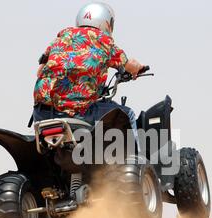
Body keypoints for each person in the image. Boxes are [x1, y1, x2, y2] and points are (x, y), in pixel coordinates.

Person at [31, 2, 144, 132]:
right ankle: (136, 152)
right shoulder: (103, 40)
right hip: (77, 112)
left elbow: (39, 71)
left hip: (41, 113)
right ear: (107, 22)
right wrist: (138, 68)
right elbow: (129, 65)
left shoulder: (62, 36)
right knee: (127, 114)